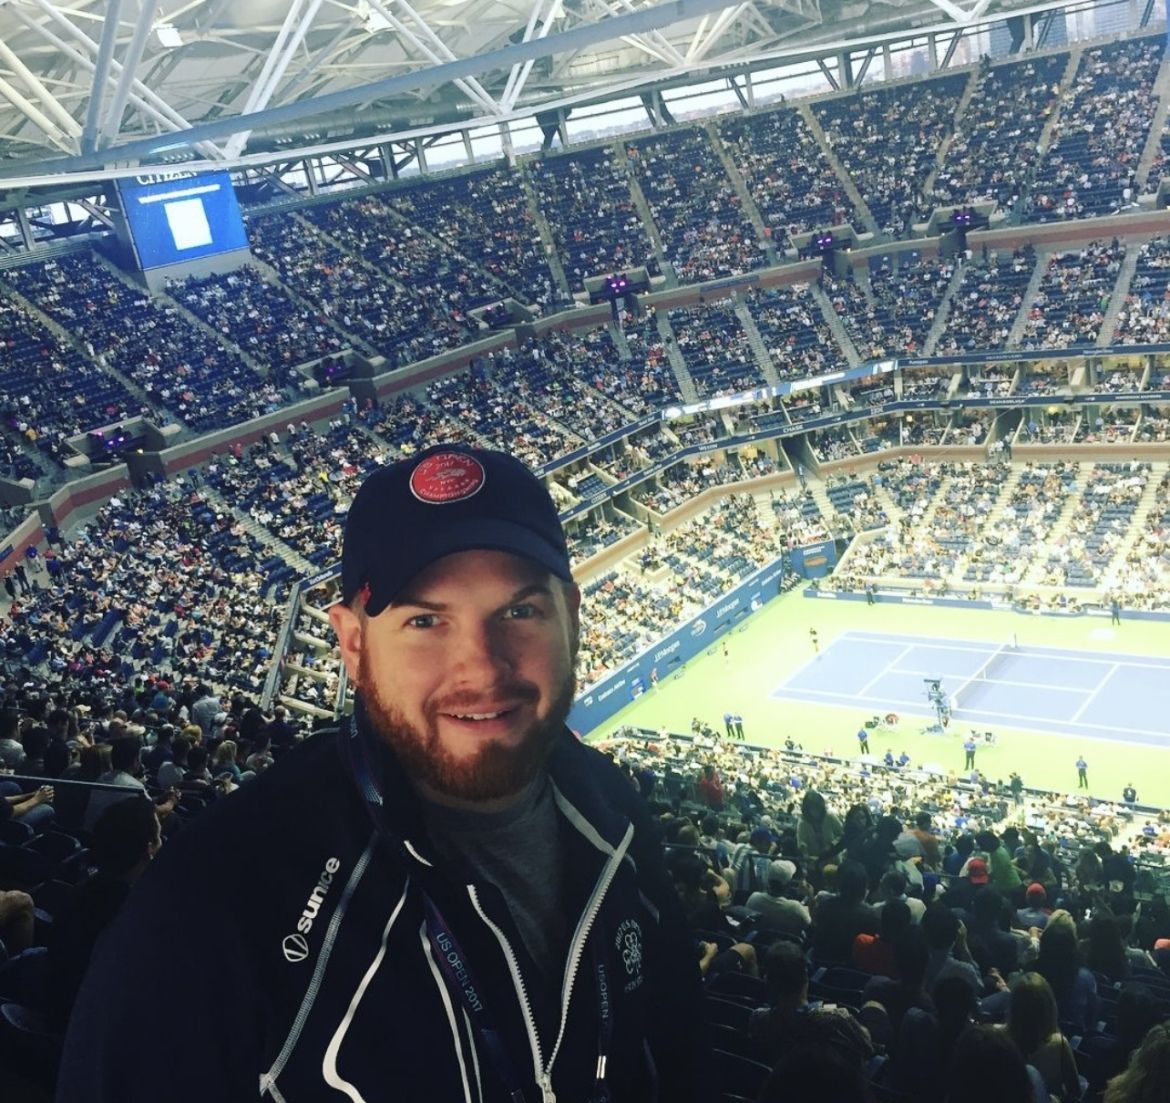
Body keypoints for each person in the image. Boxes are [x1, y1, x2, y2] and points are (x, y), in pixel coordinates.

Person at [59, 444, 708, 1102]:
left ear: (571, 614)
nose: (481, 668)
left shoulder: (617, 815)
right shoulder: (201, 921)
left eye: (518, 612)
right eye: (425, 620)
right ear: (352, 643)